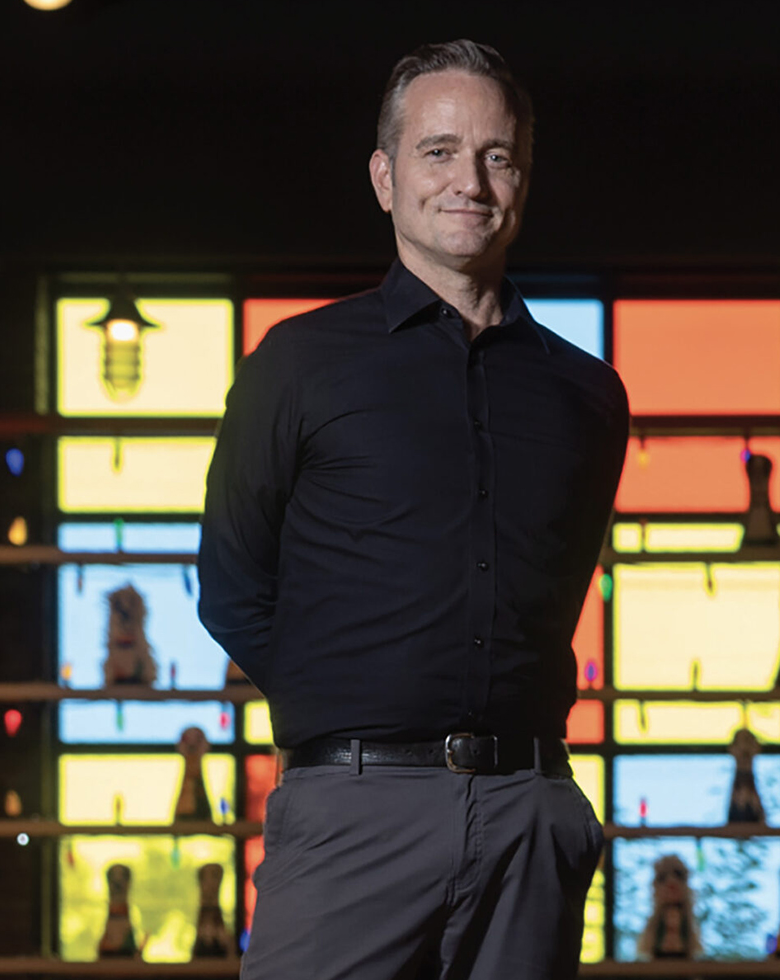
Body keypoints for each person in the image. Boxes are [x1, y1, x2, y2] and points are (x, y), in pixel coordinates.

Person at [198, 40, 629, 980]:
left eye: (497, 156)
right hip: (351, 811)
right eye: (439, 151)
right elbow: (233, 585)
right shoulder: (300, 364)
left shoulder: (587, 395)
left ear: (522, 178)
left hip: (530, 812)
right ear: (386, 178)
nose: (469, 180)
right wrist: (353, 715)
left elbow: (559, 585)